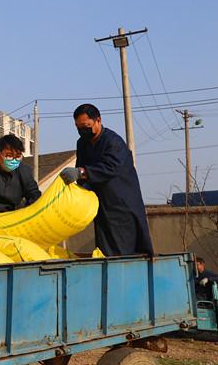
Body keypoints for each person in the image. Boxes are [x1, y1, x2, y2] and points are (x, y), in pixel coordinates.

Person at [60, 104, 154, 257]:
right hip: (101, 206)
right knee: (105, 247)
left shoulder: (113, 142)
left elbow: (110, 167)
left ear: (98, 121)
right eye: (79, 128)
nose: (83, 131)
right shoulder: (82, 143)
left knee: (125, 249)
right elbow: (81, 169)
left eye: (86, 126)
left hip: (121, 205)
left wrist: (82, 172)